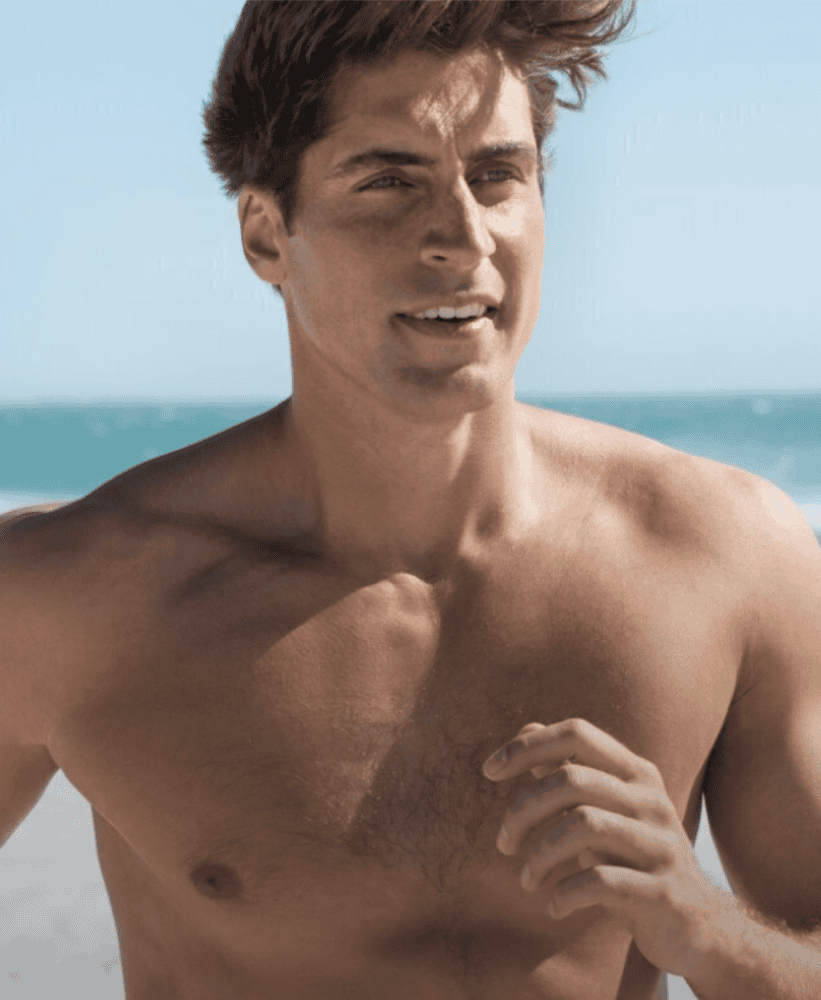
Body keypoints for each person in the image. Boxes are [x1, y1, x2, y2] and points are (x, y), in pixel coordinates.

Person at [2, 3, 820, 998]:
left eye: (496, 176)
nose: (459, 236)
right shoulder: (70, 597)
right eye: (388, 180)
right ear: (266, 236)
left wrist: (703, 929)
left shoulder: (727, 558)